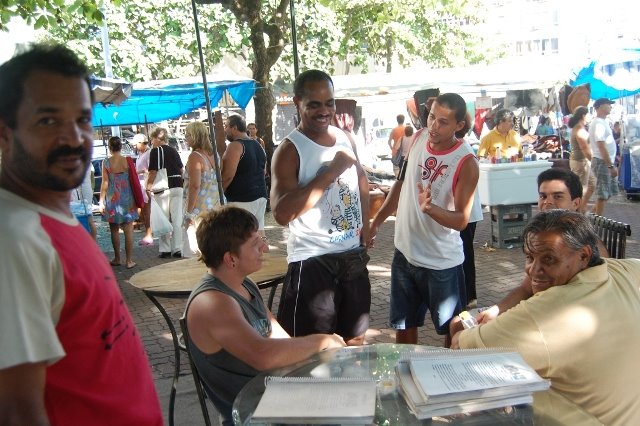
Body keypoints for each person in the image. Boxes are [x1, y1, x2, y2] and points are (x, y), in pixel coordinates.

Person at [0, 44, 161, 425]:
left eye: (83, 120)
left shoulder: (52, 219)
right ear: (5, 133)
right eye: (47, 121)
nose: (73, 137)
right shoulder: (14, 239)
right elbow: (16, 411)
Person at [452, 210, 640, 425]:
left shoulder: (547, 311)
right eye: (529, 257)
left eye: (549, 259)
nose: (534, 270)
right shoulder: (617, 271)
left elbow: (461, 346)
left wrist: (467, 330)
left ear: (584, 255)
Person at [185, 206, 345, 425]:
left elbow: (278, 338)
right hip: (253, 414)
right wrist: (323, 341)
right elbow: (263, 355)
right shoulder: (212, 303)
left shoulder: (245, 284)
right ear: (231, 259)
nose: (266, 247)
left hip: (277, 397)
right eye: (255, 243)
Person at [368, 93, 479, 347]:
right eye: (431, 117)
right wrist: (377, 221)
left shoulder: (466, 161)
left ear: (459, 125)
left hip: (441, 263)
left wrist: (431, 210)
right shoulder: (418, 138)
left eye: (443, 122)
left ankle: (452, 377)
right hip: (404, 255)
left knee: (454, 331)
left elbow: (462, 220)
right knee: (404, 326)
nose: (433, 126)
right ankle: (405, 375)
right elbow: (400, 184)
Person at [270, 69, 371, 345]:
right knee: (310, 349)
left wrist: (368, 225)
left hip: (352, 257)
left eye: (329, 103)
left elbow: (361, 178)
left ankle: (353, 389)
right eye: (314, 104)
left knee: (355, 341)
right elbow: (281, 213)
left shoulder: (344, 137)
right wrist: (330, 172)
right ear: (297, 102)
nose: (324, 111)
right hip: (313, 261)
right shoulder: (290, 150)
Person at [451, 168, 610, 330]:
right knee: (457, 324)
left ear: (576, 203)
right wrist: (496, 310)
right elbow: (526, 287)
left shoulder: (587, 246)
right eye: (543, 196)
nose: (548, 202)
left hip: (561, 323)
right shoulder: (543, 234)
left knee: (461, 330)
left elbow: (597, 297)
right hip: (536, 312)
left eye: (558, 196)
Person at [222, 114, 269, 242]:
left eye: (226, 126)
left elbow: (228, 175)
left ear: (234, 128)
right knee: (259, 234)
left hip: (243, 198)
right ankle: (263, 259)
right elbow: (264, 170)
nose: (225, 129)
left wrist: (220, 192)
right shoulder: (257, 144)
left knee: (241, 238)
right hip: (260, 194)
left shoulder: (235, 145)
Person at [182, 121, 223, 257]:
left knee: (197, 249)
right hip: (215, 206)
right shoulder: (214, 155)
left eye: (188, 135)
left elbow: (195, 186)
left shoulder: (195, 157)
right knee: (214, 247)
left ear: (196, 136)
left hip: (199, 208)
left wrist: (188, 213)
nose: (185, 138)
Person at [99, 136, 139, 269]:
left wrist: (101, 200)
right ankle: (129, 260)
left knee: (114, 229)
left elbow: (105, 182)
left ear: (109, 148)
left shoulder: (106, 162)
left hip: (112, 199)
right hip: (127, 198)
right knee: (128, 229)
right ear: (121, 147)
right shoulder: (127, 160)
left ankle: (117, 258)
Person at [146, 126, 184, 258]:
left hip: (164, 187)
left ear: (157, 138)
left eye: (152, 139)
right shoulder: (174, 150)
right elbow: (181, 169)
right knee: (177, 218)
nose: (151, 142)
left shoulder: (155, 151)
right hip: (178, 185)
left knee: (163, 218)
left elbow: (153, 171)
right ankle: (178, 248)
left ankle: (165, 249)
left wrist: (148, 186)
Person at [589, 97, 618, 216]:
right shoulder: (598, 123)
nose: (610, 106)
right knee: (602, 194)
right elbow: (601, 146)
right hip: (602, 162)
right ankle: (596, 223)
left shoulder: (602, 122)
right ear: (600, 107)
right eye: (608, 104)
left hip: (604, 161)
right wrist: (610, 165)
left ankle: (591, 217)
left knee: (607, 193)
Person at [568, 106, 595, 212]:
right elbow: (584, 148)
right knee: (582, 188)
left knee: (592, 185)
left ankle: (582, 208)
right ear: (583, 115)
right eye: (589, 114)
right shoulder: (578, 129)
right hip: (580, 162)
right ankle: (578, 211)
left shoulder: (580, 127)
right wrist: (594, 161)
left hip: (584, 161)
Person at [134, 133, 154, 245]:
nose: (135, 147)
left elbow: (150, 170)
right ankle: (148, 233)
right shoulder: (140, 154)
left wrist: (138, 172)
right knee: (143, 211)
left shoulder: (148, 153)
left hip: (146, 184)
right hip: (141, 185)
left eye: (136, 144)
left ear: (141, 143)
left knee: (147, 211)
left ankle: (149, 234)